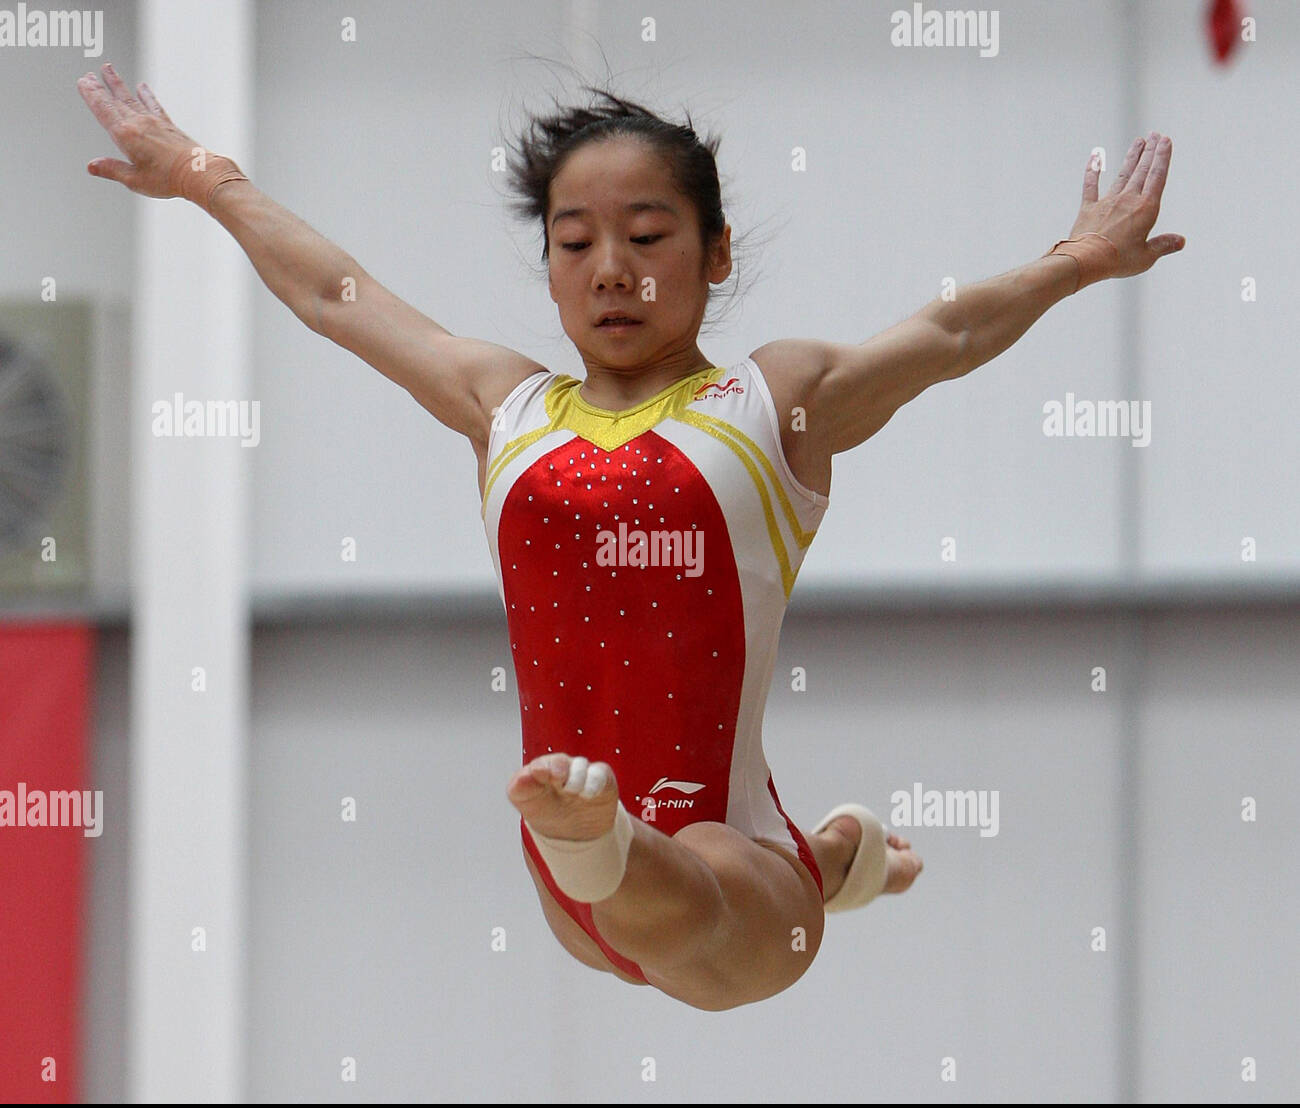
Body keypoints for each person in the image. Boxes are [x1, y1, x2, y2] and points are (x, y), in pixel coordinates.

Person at [78, 65, 1182, 1011]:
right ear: (550, 264)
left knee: (693, 859)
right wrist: (196, 175)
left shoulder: (773, 402)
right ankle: (835, 853)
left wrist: (1077, 258)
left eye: (648, 235)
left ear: (714, 254)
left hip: (730, 890)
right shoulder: (501, 403)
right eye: (575, 240)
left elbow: (945, 332)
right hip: (575, 880)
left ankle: (815, 862)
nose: (612, 266)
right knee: (639, 866)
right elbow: (332, 292)